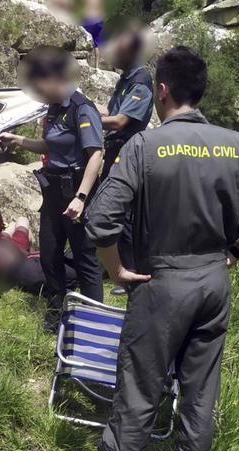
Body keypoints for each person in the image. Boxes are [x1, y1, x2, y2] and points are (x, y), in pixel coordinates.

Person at [70, 46, 239, 451]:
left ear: (161, 91)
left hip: (160, 284)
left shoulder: (144, 145)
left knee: (139, 388)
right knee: (200, 394)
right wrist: (237, 250)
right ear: (201, 91)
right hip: (214, 283)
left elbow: (100, 222)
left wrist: (116, 271)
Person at [0, 47, 105, 329]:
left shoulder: (82, 108)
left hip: (76, 191)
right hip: (53, 189)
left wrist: (81, 197)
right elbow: (50, 145)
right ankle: (56, 311)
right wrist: (17, 140)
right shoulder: (54, 110)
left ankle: (93, 320)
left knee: (84, 258)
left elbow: (96, 154)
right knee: (49, 252)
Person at [96, 26, 154, 296]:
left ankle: (132, 271)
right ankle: (114, 266)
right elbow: (109, 111)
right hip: (115, 151)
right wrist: (79, 104)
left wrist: (86, 120)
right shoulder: (125, 80)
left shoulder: (140, 81)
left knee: (126, 214)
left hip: (127, 154)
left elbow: (120, 121)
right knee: (112, 209)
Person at [0, 212, 78, 295]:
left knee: (18, 226)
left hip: (16, 255)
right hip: (18, 254)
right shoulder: (3, 241)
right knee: (20, 224)